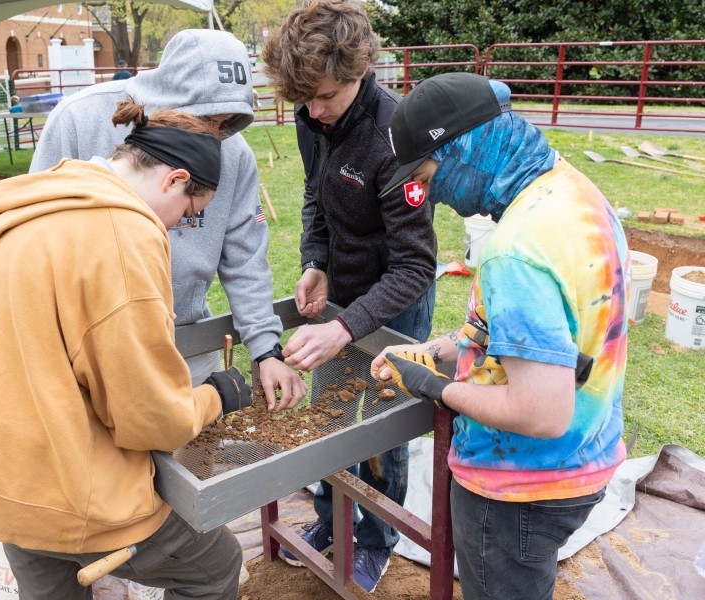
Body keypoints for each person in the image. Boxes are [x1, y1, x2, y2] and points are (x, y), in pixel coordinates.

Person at [0, 101, 255, 600]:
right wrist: (216, 396)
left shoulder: (43, 202)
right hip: (57, 484)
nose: (177, 226)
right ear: (174, 180)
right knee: (214, 569)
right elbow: (148, 417)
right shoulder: (122, 235)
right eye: (189, 214)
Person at [372, 72, 630, 600]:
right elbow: (544, 341)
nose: (433, 197)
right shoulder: (573, 194)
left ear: (464, 147)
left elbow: (541, 411)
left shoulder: (515, 250)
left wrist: (435, 386)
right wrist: (436, 350)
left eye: (427, 175)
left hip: (518, 489)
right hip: (584, 457)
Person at [31, 29, 307, 411]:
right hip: (86, 348)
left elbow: (245, 258)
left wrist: (266, 350)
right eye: (204, 117)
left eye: (226, 120)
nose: (211, 134)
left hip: (184, 339)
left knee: (191, 457)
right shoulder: (80, 120)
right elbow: (36, 238)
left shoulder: (235, 154)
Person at [261, 0, 437, 592]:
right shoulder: (312, 113)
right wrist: (316, 262)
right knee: (334, 417)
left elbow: (417, 266)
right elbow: (315, 194)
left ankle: (376, 540)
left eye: (325, 98)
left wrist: (347, 328)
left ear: (359, 70)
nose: (313, 112)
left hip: (393, 302)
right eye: (303, 100)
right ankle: (332, 517)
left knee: (383, 432)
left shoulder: (397, 135)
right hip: (338, 297)